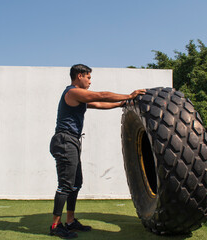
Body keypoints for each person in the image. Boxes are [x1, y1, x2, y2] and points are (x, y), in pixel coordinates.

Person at [49, 64, 146, 239]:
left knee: (76, 183)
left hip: (72, 141)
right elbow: (101, 95)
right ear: (79, 76)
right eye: (88, 77)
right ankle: (55, 225)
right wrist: (129, 95)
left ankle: (70, 221)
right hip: (64, 141)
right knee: (65, 184)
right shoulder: (72, 92)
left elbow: (100, 103)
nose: (90, 81)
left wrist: (123, 103)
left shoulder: (80, 98)